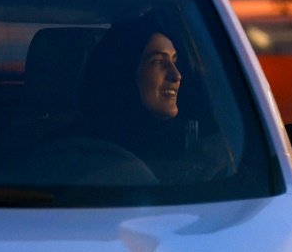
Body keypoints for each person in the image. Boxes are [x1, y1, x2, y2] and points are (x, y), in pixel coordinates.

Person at [77, 13, 230, 183]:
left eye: (174, 61)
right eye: (158, 62)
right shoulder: (81, 150)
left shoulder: (201, 148)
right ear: (124, 72)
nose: (176, 75)